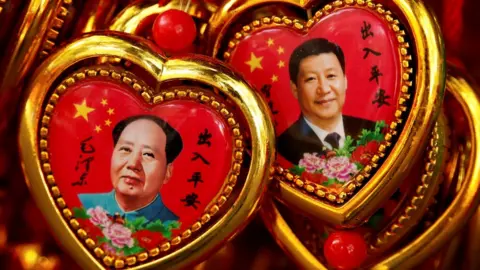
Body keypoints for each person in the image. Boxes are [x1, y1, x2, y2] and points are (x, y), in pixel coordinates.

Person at [277, 38, 376, 166]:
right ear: (295, 88)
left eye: (331, 76)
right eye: (311, 79)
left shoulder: (372, 131)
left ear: (345, 80)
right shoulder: (282, 149)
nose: (324, 89)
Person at [78, 114, 183, 224]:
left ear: (167, 172)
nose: (133, 164)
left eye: (148, 154)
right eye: (126, 149)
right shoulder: (80, 206)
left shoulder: (175, 229)